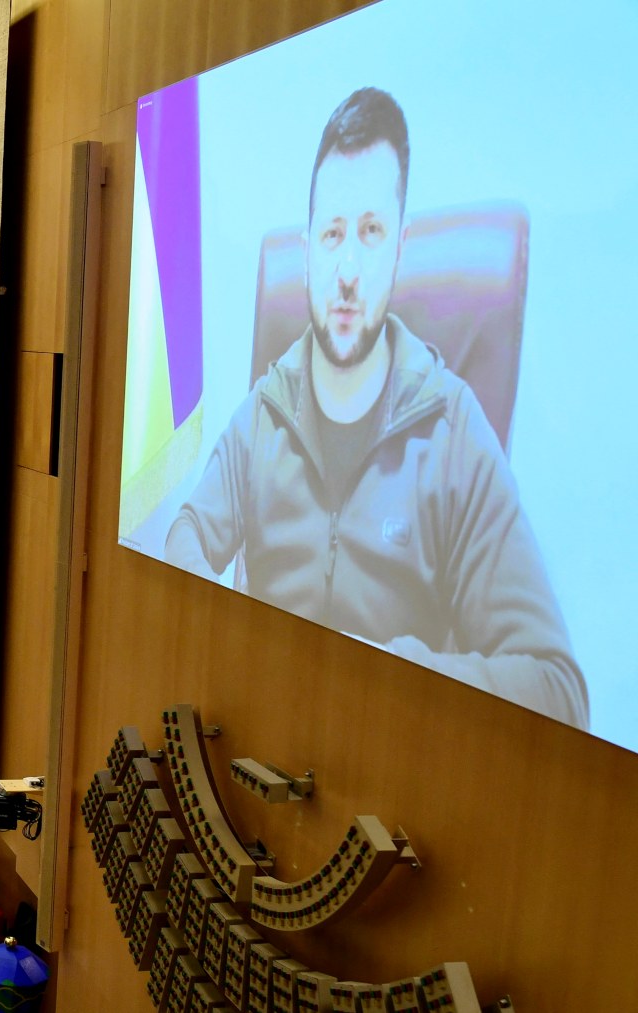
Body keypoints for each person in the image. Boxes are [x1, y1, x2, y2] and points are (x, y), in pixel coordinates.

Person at [161, 87, 586, 729]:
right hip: (261, 733)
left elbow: (558, 691)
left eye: (371, 231)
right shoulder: (268, 407)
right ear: (307, 254)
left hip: (387, 753)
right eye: (333, 234)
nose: (350, 268)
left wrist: (384, 671)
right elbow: (189, 530)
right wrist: (221, 621)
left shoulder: (454, 431)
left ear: (399, 248)